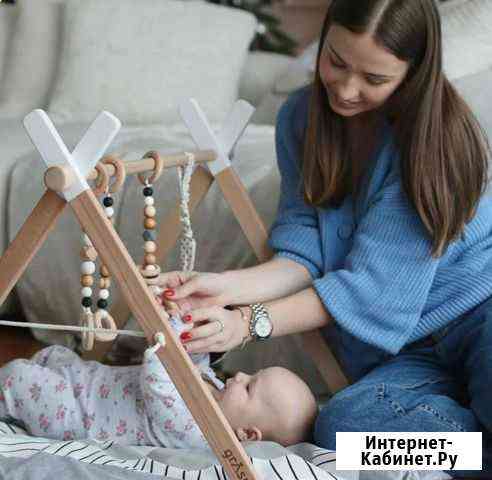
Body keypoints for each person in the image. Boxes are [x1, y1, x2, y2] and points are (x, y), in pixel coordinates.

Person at [157, 0, 492, 477]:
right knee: (342, 432)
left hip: (482, 311)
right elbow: (304, 250)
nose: (347, 89)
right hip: (413, 350)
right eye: (336, 61)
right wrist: (225, 288)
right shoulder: (300, 118)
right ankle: (478, 448)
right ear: (326, 35)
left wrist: (249, 323)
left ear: (413, 74)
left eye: (374, 79)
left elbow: (372, 291)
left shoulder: (437, 141)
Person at [0, 344, 317, 448]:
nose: (240, 375)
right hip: (86, 379)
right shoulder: (216, 393)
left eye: (249, 387)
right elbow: (191, 367)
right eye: (251, 374)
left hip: (76, 415)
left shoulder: (197, 432)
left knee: (19, 377)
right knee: (56, 353)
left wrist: (165, 341)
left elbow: (158, 383)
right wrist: (195, 343)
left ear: (247, 434)